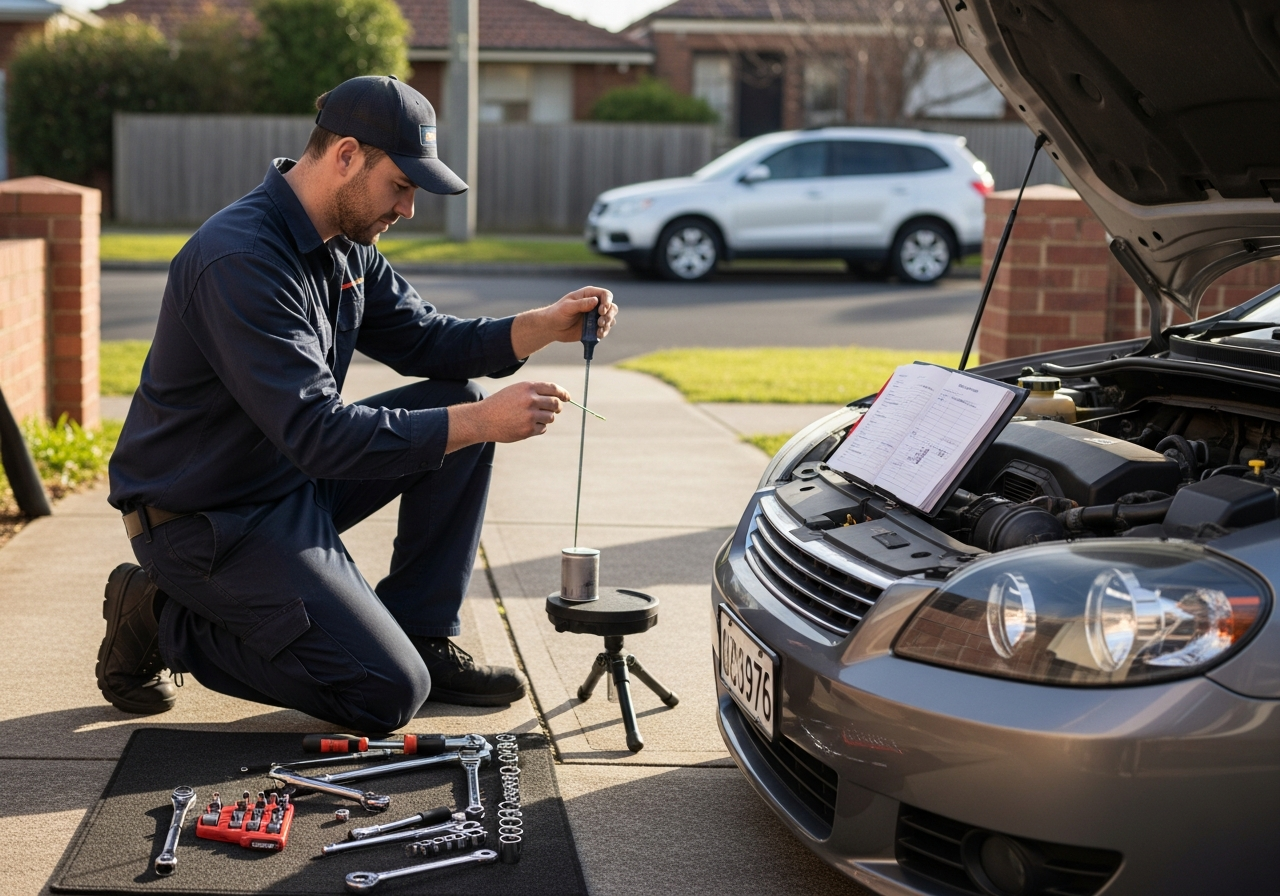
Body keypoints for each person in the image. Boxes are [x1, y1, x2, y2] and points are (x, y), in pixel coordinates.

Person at [96, 75, 617, 731]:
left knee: (456, 403)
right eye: (401, 186)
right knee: (384, 694)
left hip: (288, 483)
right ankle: (161, 617)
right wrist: (483, 421)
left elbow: (428, 341)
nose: (408, 209)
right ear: (346, 156)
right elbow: (318, 432)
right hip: (207, 520)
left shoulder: (345, 246)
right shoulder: (239, 260)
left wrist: (542, 324)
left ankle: (421, 629)